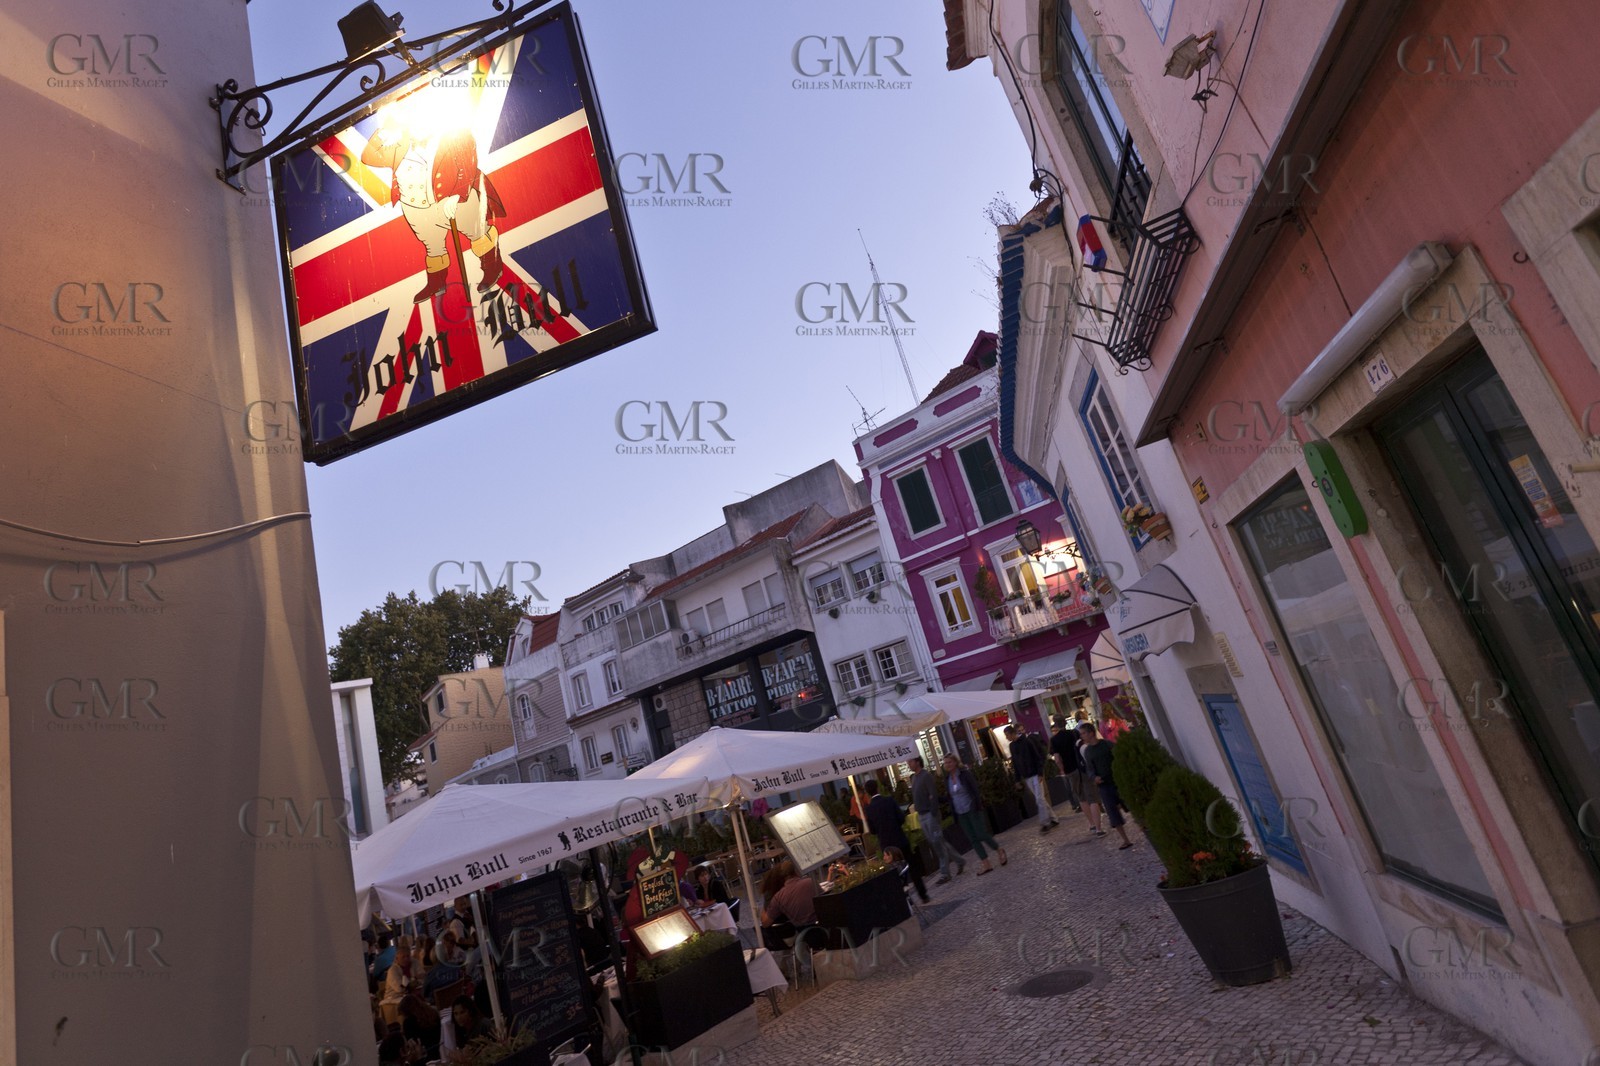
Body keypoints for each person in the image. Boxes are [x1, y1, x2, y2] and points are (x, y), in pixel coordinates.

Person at [862, 779, 929, 903]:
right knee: (912, 866)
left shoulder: (869, 809)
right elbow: (901, 818)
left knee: (895, 874)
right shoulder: (889, 800)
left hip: (887, 845)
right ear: (877, 788)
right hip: (899, 838)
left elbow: (872, 830)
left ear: (867, 793)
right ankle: (923, 894)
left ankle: (905, 901)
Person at [941, 753, 1006, 874]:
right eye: (945, 763)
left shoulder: (964, 774)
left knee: (981, 834)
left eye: (949, 762)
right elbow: (950, 797)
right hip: (960, 812)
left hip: (971, 807)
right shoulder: (947, 779)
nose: (947, 765)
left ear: (955, 762)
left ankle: (999, 849)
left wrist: (977, 805)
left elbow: (975, 790)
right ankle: (986, 863)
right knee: (973, 839)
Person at [909, 756, 965, 883]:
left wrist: (933, 811)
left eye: (911, 762)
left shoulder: (926, 776)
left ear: (917, 762)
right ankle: (959, 860)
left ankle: (945, 873)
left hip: (930, 814)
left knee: (938, 843)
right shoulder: (914, 778)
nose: (909, 764)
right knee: (937, 842)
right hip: (922, 814)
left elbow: (933, 794)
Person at [1079, 722, 1134, 849]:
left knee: (1129, 804)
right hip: (1104, 785)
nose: (1082, 737)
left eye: (1083, 733)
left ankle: (1145, 826)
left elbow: (1119, 756)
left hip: (1117, 781)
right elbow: (1090, 769)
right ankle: (1125, 839)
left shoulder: (1106, 744)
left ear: (1091, 733)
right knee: (1112, 813)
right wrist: (1094, 777)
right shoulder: (1088, 751)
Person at [1006, 724, 1059, 834]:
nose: (1006, 738)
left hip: (1035, 774)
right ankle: (1054, 818)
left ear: (1012, 733)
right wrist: (1017, 779)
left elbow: (1037, 757)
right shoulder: (1012, 746)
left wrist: (1040, 773)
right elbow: (1015, 763)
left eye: (1007, 735)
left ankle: (1045, 823)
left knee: (1039, 799)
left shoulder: (1027, 741)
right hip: (1027, 776)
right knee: (1040, 799)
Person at [760, 859, 820, 928]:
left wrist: (766, 899)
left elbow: (765, 923)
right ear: (796, 871)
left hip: (802, 932)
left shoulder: (778, 897)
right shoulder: (810, 881)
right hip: (822, 925)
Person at [379, 938, 426, 1025]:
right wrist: (415, 979)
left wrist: (413, 982)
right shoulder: (393, 970)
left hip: (412, 993)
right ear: (397, 958)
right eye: (403, 957)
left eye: (408, 956)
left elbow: (423, 977)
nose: (406, 959)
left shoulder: (414, 962)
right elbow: (401, 989)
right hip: (394, 998)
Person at [1049, 716, 1084, 815]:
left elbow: (1057, 758)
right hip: (1080, 764)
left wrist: (1062, 769)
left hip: (1069, 768)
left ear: (1056, 724)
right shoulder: (1074, 733)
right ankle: (1095, 803)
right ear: (1065, 723)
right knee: (1085, 784)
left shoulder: (1054, 740)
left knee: (1076, 789)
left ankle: (1082, 805)